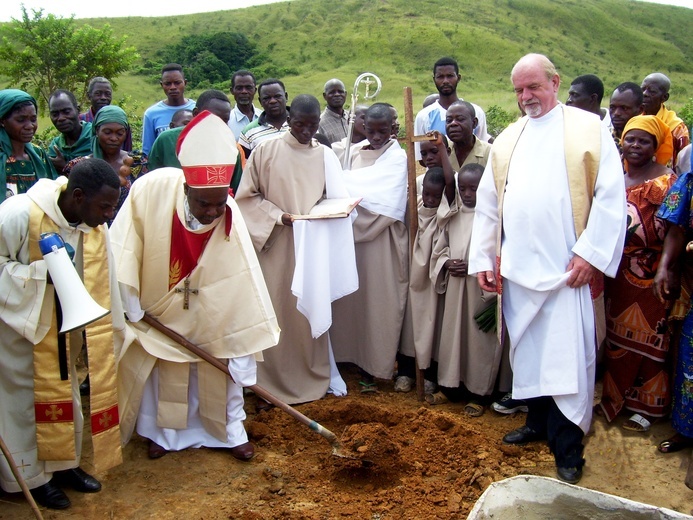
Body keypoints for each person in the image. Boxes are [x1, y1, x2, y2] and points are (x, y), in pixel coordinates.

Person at [469, 54, 627, 484]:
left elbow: (612, 198)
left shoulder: (588, 129)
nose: (525, 97)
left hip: (565, 271)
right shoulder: (509, 138)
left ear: (555, 83)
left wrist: (590, 255)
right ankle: (537, 423)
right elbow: (488, 204)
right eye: (519, 90)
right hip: (519, 270)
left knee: (564, 360)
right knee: (529, 354)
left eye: (533, 87)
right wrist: (485, 258)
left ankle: (568, 446)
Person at [110, 111, 279, 462]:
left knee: (223, 363)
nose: (212, 212)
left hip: (209, 313)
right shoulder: (151, 189)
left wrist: (244, 343)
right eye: (204, 203)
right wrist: (131, 302)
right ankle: (165, 433)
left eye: (220, 202)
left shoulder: (227, 210)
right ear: (187, 188)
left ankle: (229, 432)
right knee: (164, 369)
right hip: (158, 308)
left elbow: (242, 284)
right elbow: (124, 244)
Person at [0, 158, 124, 509]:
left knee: (66, 398)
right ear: (79, 195)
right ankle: (29, 478)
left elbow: (105, 279)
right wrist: (42, 274)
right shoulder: (19, 213)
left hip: (66, 334)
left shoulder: (94, 226)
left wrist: (106, 326)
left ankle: (63, 464)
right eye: (104, 207)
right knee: (23, 406)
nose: (108, 216)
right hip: (18, 335)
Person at [235, 94, 351, 405]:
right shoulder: (266, 151)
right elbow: (246, 199)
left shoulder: (325, 155)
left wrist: (327, 212)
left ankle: (310, 374)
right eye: (300, 124)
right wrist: (279, 217)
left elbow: (332, 196)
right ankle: (269, 383)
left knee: (305, 311)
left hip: (311, 244)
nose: (306, 131)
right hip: (274, 244)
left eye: (313, 125)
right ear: (289, 119)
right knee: (276, 311)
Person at [598, 115, 676, 433]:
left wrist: (667, 268)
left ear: (656, 147)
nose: (635, 146)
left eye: (644, 141)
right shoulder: (614, 173)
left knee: (652, 340)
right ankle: (615, 399)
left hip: (651, 271)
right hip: (616, 270)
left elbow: (676, 229)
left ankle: (649, 407)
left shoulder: (666, 182)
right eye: (630, 138)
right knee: (617, 337)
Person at [330, 103, 409, 392]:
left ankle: (376, 363)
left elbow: (388, 204)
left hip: (381, 239)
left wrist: (350, 213)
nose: (376, 137)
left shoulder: (398, 159)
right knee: (349, 301)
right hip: (349, 239)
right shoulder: (352, 153)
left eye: (383, 131)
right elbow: (339, 187)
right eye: (371, 130)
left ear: (393, 129)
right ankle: (345, 356)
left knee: (378, 302)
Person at [430, 163, 504, 416]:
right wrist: (447, 262)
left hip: (482, 291)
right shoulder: (455, 216)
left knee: (479, 342)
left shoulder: (496, 218)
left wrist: (475, 266)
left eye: (474, 188)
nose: (468, 193)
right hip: (456, 289)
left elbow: (502, 254)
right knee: (453, 339)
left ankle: (478, 394)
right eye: (463, 188)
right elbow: (440, 249)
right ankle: (451, 387)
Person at [397, 135, 455, 398]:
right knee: (410, 323)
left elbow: (450, 183)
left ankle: (429, 375)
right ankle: (406, 371)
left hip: (432, 277)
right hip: (413, 273)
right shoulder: (417, 201)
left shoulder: (446, 209)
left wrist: (443, 149)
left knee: (432, 324)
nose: (430, 200)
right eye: (427, 196)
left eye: (436, 196)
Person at [654, 162, 693, 465]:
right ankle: (686, 430)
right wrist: (665, 266)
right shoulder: (690, 181)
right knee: (689, 360)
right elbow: (677, 228)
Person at [147, 90, 246, 194]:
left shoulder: (232, 150)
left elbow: (235, 193)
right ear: (195, 113)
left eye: (225, 120)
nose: (219, 125)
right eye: (213, 119)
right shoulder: (166, 141)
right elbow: (152, 184)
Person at [64, 106, 147, 220]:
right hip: (91, 232)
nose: (113, 138)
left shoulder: (137, 163)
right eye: (107, 132)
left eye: (120, 133)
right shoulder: (79, 166)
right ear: (97, 131)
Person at [414, 57, 490, 159]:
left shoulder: (476, 111)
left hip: (473, 173)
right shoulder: (424, 116)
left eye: (450, 76)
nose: (445, 81)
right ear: (434, 79)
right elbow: (421, 158)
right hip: (438, 174)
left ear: (458, 78)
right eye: (440, 77)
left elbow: (482, 149)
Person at [0, 89, 57, 203]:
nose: (30, 126)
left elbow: (53, 193)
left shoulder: (38, 154)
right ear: (2, 121)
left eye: (33, 119)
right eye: (21, 120)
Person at [141, 64, 196, 156]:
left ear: (185, 83)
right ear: (162, 85)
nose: (173, 87)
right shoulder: (151, 114)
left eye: (177, 83)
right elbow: (148, 151)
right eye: (168, 84)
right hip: (163, 169)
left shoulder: (197, 109)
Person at [641, 72, 690, 168]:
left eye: (652, 91)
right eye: (642, 89)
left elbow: (683, 165)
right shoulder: (633, 119)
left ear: (664, 97)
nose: (644, 94)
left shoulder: (676, 127)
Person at [238, 79, 290, 158]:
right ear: (260, 101)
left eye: (277, 96)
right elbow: (245, 165)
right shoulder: (248, 132)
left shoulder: (304, 124)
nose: (272, 101)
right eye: (267, 98)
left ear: (286, 97)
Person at [79, 77, 132, 152]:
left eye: (107, 94)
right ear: (89, 96)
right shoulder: (81, 121)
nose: (103, 98)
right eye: (98, 94)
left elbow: (128, 150)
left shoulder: (120, 122)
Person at [46, 90, 92, 174]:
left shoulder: (95, 137)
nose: (61, 118)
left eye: (66, 112)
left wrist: (66, 167)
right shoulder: (55, 147)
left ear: (77, 110)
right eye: (55, 114)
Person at [445, 101, 491, 171]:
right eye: (449, 120)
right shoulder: (442, 151)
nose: (453, 123)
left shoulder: (489, 153)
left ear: (474, 123)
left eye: (460, 119)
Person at [609, 82, 643, 150]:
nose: (616, 113)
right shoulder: (603, 137)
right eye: (612, 107)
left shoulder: (645, 143)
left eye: (624, 108)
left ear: (640, 110)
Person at [228, 70, 261, 142]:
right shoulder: (227, 121)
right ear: (232, 91)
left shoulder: (264, 117)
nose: (244, 91)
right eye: (239, 88)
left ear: (255, 90)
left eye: (248, 87)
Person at [318, 78, 349, 144]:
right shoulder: (320, 124)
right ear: (325, 96)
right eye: (332, 92)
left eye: (340, 91)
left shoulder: (352, 118)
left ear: (345, 94)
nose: (337, 94)